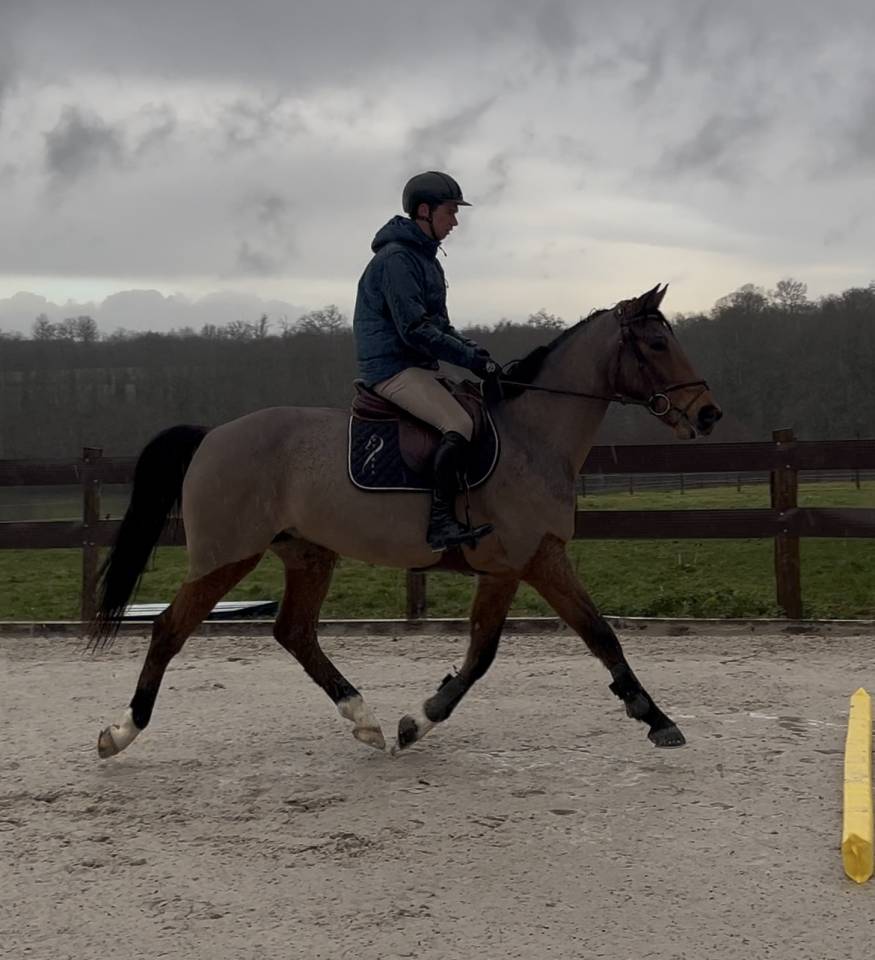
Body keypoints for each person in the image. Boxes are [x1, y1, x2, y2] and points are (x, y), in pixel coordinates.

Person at [353, 171, 497, 552]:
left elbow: (441, 326)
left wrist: (476, 354)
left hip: (416, 365)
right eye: (450, 212)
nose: (455, 221)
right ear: (424, 211)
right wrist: (467, 358)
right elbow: (414, 329)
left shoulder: (427, 260)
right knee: (458, 423)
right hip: (391, 368)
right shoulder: (397, 260)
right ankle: (439, 523)